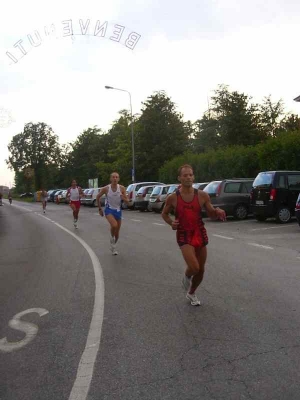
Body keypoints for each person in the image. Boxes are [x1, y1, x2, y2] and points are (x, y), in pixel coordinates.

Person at [162, 164, 226, 306]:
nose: (188, 177)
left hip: (199, 232)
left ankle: (192, 293)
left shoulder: (202, 195)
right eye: (185, 175)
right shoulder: (173, 198)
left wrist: (217, 211)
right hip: (184, 234)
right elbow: (164, 214)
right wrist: (171, 223)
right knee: (194, 267)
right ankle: (187, 275)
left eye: (190, 175)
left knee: (201, 269)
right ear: (179, 178)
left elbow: (211, 213)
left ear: (194, 177)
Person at [96, 172, 129, 255]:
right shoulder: (106, 188)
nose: (115, 179)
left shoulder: (122, 188)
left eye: (116, 177)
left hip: (118, 211)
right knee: (114, 225)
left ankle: (113, 246)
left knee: (117, 233)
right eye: (113, 177)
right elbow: (98, 197)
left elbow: (128, 201)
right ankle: (111, 238)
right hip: (109, 210)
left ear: (118, 179)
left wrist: (123, 198)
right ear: (110, 179)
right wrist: (100, 209)